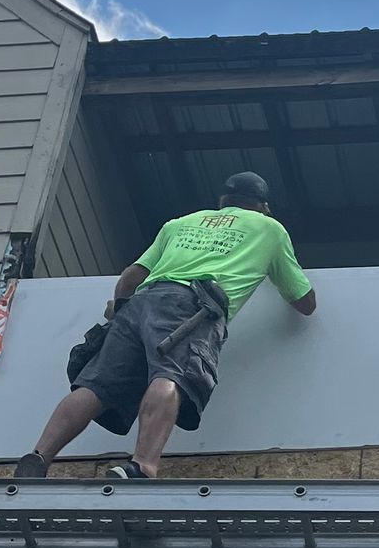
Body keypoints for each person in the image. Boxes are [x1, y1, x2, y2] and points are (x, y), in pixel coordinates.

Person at [16, 171, 315, 480]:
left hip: (140, 302)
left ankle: (39, 456)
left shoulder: (180, 223)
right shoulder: (269, 229)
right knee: (172, 374)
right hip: (193, 307)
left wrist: (120, 313)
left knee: (96, 385)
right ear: (262, 206)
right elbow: (304, 302)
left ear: (223, 202)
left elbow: (131, 277)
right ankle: (142, 465)